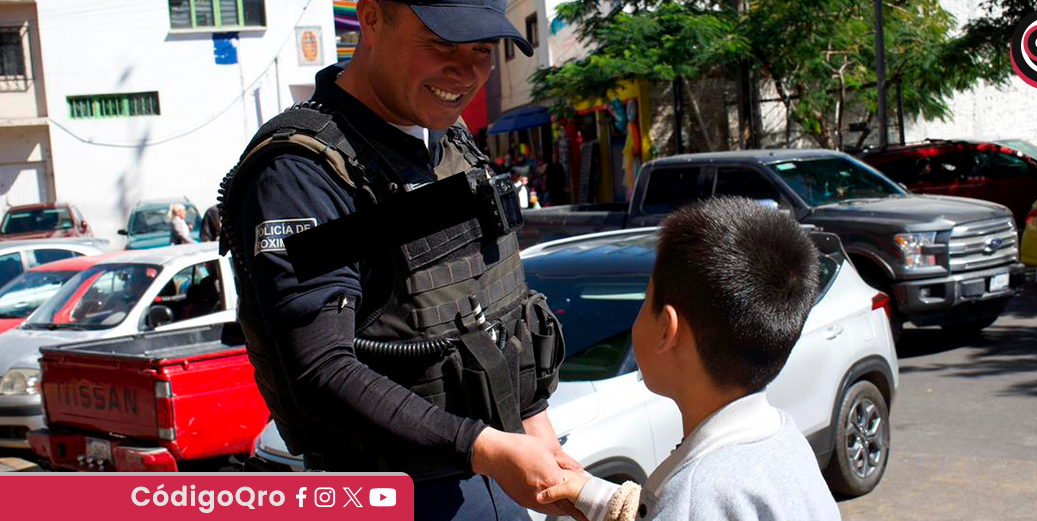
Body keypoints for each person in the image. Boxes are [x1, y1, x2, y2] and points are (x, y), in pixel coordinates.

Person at [215, 1, 581, 520]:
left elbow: (490, 304)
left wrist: (537, 432)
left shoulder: (445, 137)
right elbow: (321, 369)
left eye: (482, 49)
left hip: (495, 479)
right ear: (371, 19)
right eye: (442, 43)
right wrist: (486, 449)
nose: (466, 72)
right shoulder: (301, 174)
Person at [538, 197, 843, 521]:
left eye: (646, 299)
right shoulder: (785, 442)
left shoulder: (696, 497)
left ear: (667, 330)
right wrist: (591, 493)